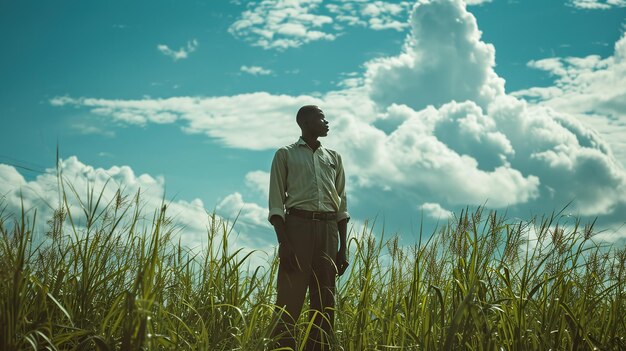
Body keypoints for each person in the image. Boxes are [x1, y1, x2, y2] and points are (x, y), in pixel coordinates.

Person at [268, 105, 350, 351]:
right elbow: (275, 206)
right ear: (304, 122)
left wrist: (343, 247)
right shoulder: (285, 154)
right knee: (289, 299)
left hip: (328, 231)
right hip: (297, 228)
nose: (326, 122)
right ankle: (281, 348)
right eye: (321, 118)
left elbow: (341, 205)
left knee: (325, 301)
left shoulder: (334, 158)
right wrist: (284, 242)